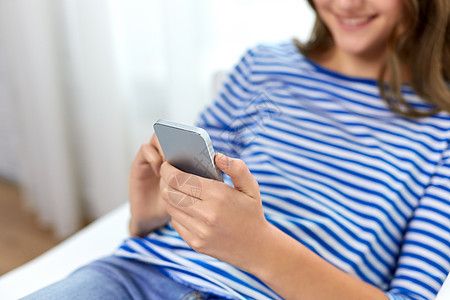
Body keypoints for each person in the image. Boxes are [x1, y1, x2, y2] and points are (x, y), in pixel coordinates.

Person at [25, 0, 449, 299]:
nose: (346, 3)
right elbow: (203, 196)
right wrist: (151, 214)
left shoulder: (442, 131)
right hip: (138, 274)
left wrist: (259, 246)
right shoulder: (262, 66)